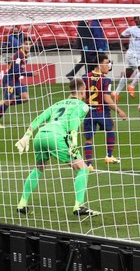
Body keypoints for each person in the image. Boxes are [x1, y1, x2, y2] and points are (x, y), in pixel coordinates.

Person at [14, 78, 99, 216]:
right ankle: (79, 206)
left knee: (38, 168)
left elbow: (39, 118)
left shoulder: (57, 103)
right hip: (57, 137)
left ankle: (22, 204)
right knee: (82, 168)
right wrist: (74, 144)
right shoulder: (82, 105)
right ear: (82, 90)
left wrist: (27, 135)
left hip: (40, 136)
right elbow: (73, 122)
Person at [83, 54, 127, 171]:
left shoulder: (84, 77)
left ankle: (89, 165)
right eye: (107, 63)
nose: (109, 66)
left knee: (88, 139)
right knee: (110, 129)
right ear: (99, 64)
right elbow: (106, 99)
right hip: (102, 112)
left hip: (88, 113)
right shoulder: (106, 80)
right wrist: (119, 111)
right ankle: (109, 156)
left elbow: (81, 95)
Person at [0, 40, 38, 128]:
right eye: (26, 44)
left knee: (25, 97)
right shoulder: (19, 55)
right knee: (8, 101)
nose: (28, 46)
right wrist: (31, 74)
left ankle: (3, 102)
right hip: (9, 80)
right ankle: (4, 104)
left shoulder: (25, 55)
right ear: (22, 45)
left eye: (29, 44)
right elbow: (16, 71)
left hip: (15, 81)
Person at [114, 16, 140, 101]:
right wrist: (122, 46)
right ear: (134, 20)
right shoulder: (131, 29)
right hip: (131, 54)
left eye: (139, 18)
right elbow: (121, 36)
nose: (138, 20)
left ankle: (116, 93)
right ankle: (131, 86)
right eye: (136, 18)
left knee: (127, 75)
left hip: (138, 55)